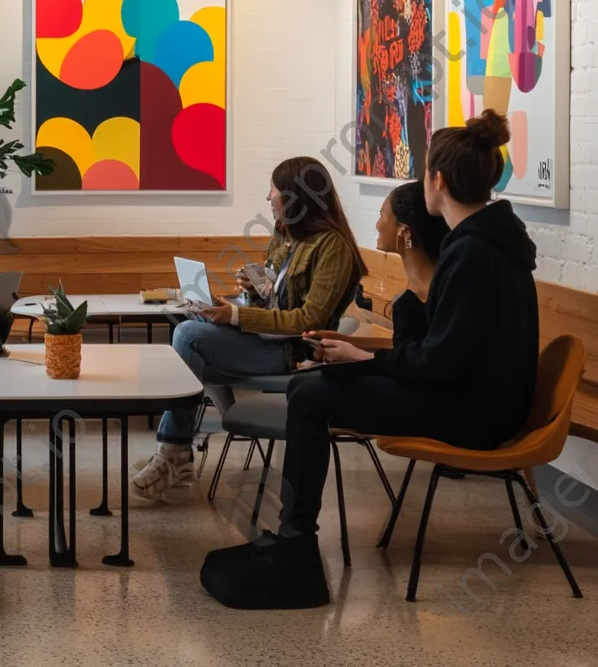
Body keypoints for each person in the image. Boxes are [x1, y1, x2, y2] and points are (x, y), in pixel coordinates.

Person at [200, 111, 540, 611]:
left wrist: (361, 358)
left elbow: (438, 362)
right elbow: (442, 351)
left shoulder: (474, 254)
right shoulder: (482, 244)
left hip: (476, 414)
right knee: (311, 389)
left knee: (311, 394)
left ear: (438, 180)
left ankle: (296, 552)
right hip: (469, 397)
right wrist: (369, 354)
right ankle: (292, 541)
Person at [132, 157, 367, 502]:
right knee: (193, 325)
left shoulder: (334, 248)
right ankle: (177, 451)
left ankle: (174, 453)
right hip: (267, 339)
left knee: (188, 338)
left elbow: (307, 320)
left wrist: (235, 317)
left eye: (273, 190)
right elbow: (276, 300)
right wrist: (251, 291)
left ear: (293, 196)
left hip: (296, 352)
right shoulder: (286, 235)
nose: (268, 198)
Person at [374, 177, 450, 347]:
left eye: (382, 216)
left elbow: (413, 366)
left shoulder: (417, 303)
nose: (378, 225)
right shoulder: (440, 286)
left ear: (404, 231)